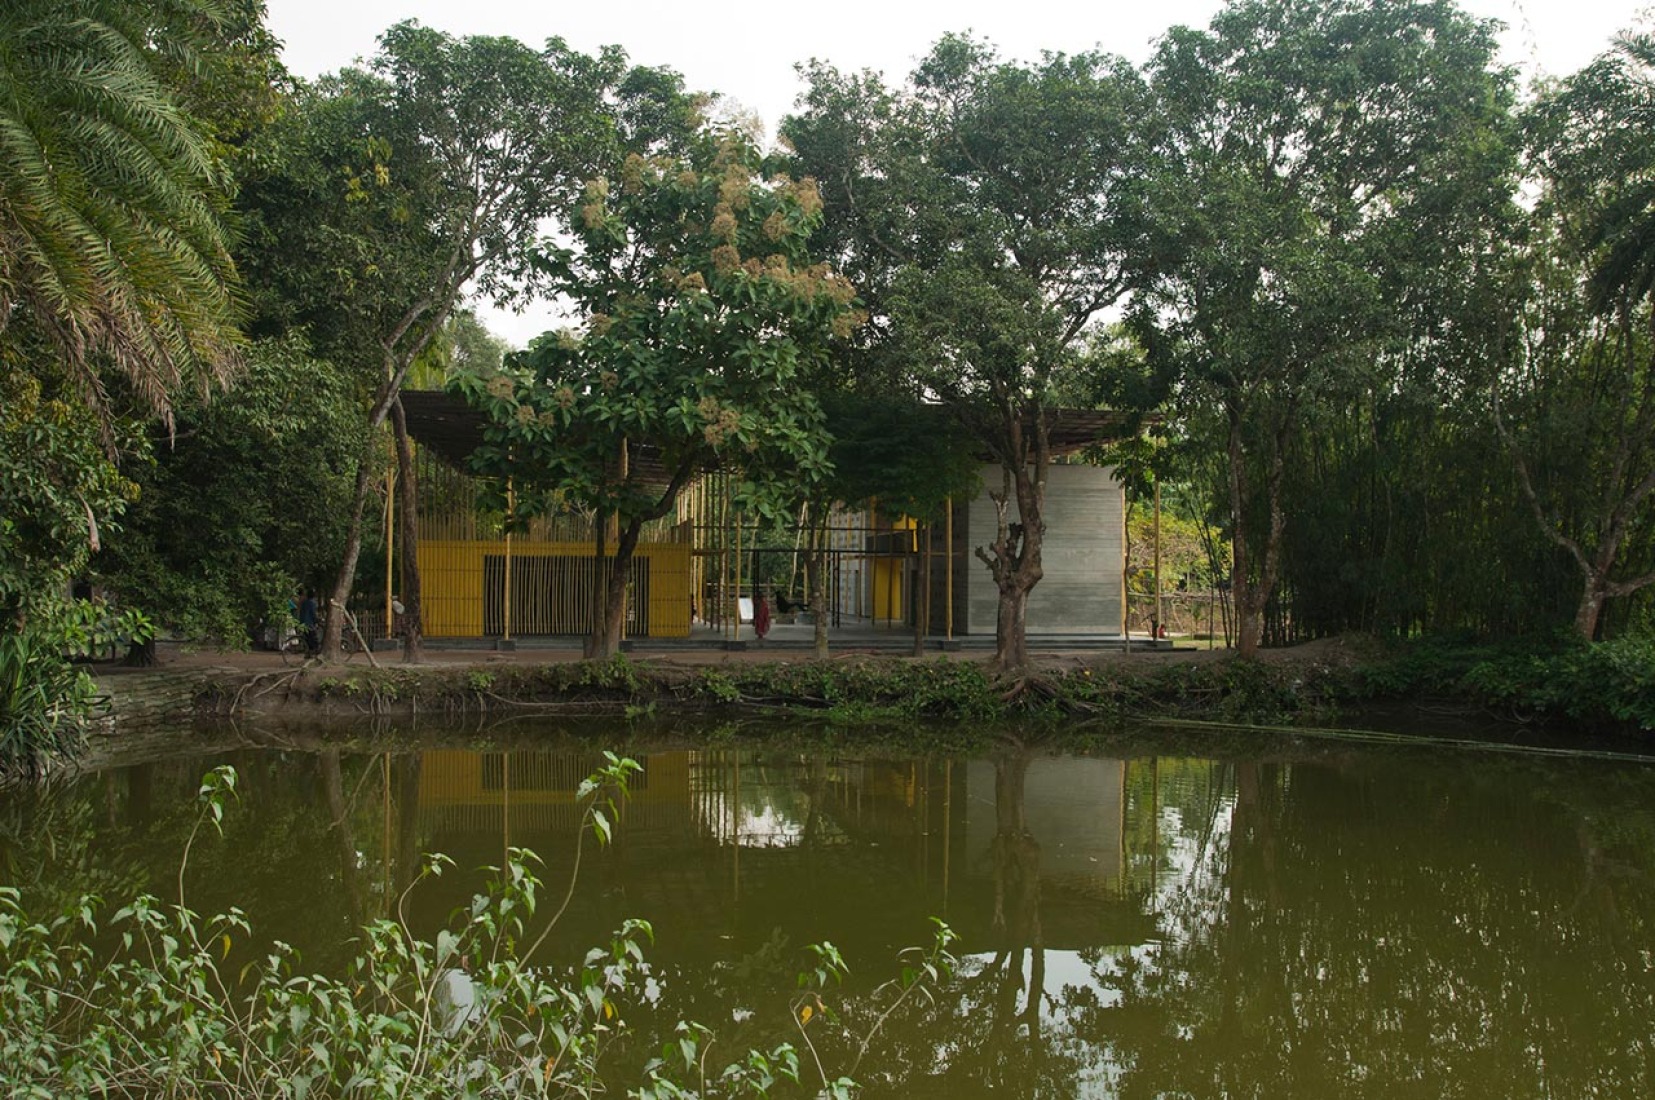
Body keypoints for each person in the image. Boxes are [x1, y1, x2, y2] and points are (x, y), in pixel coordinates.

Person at [299, 589, 319, 655]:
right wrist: (316, 621)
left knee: (308, 638)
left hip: (303, 622)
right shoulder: (312, 603)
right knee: (313, 638)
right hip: (309, 623)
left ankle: (309, 652)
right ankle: (313, 652)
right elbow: (313, 614)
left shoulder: (304, 602)